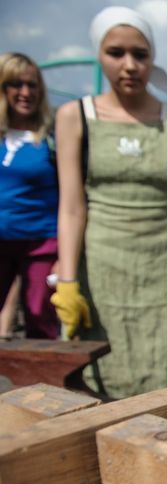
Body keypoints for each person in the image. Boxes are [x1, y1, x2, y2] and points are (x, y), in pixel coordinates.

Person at [51, 6, 167, 399]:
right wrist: (69, 283)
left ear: (152, 58)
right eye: (116, 53)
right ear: (99, 55)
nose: (129, 65)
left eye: (140, 54)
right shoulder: (75, 117)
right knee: (96, 383)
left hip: (166, 275)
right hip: (101, 272)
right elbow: (73, 208)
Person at [0, 52, 60, 339]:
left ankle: (41, 382)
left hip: (41, 243)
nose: (25, 93)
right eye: (16, 84)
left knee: (41, 319)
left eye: (32, 85)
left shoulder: (52, 136)